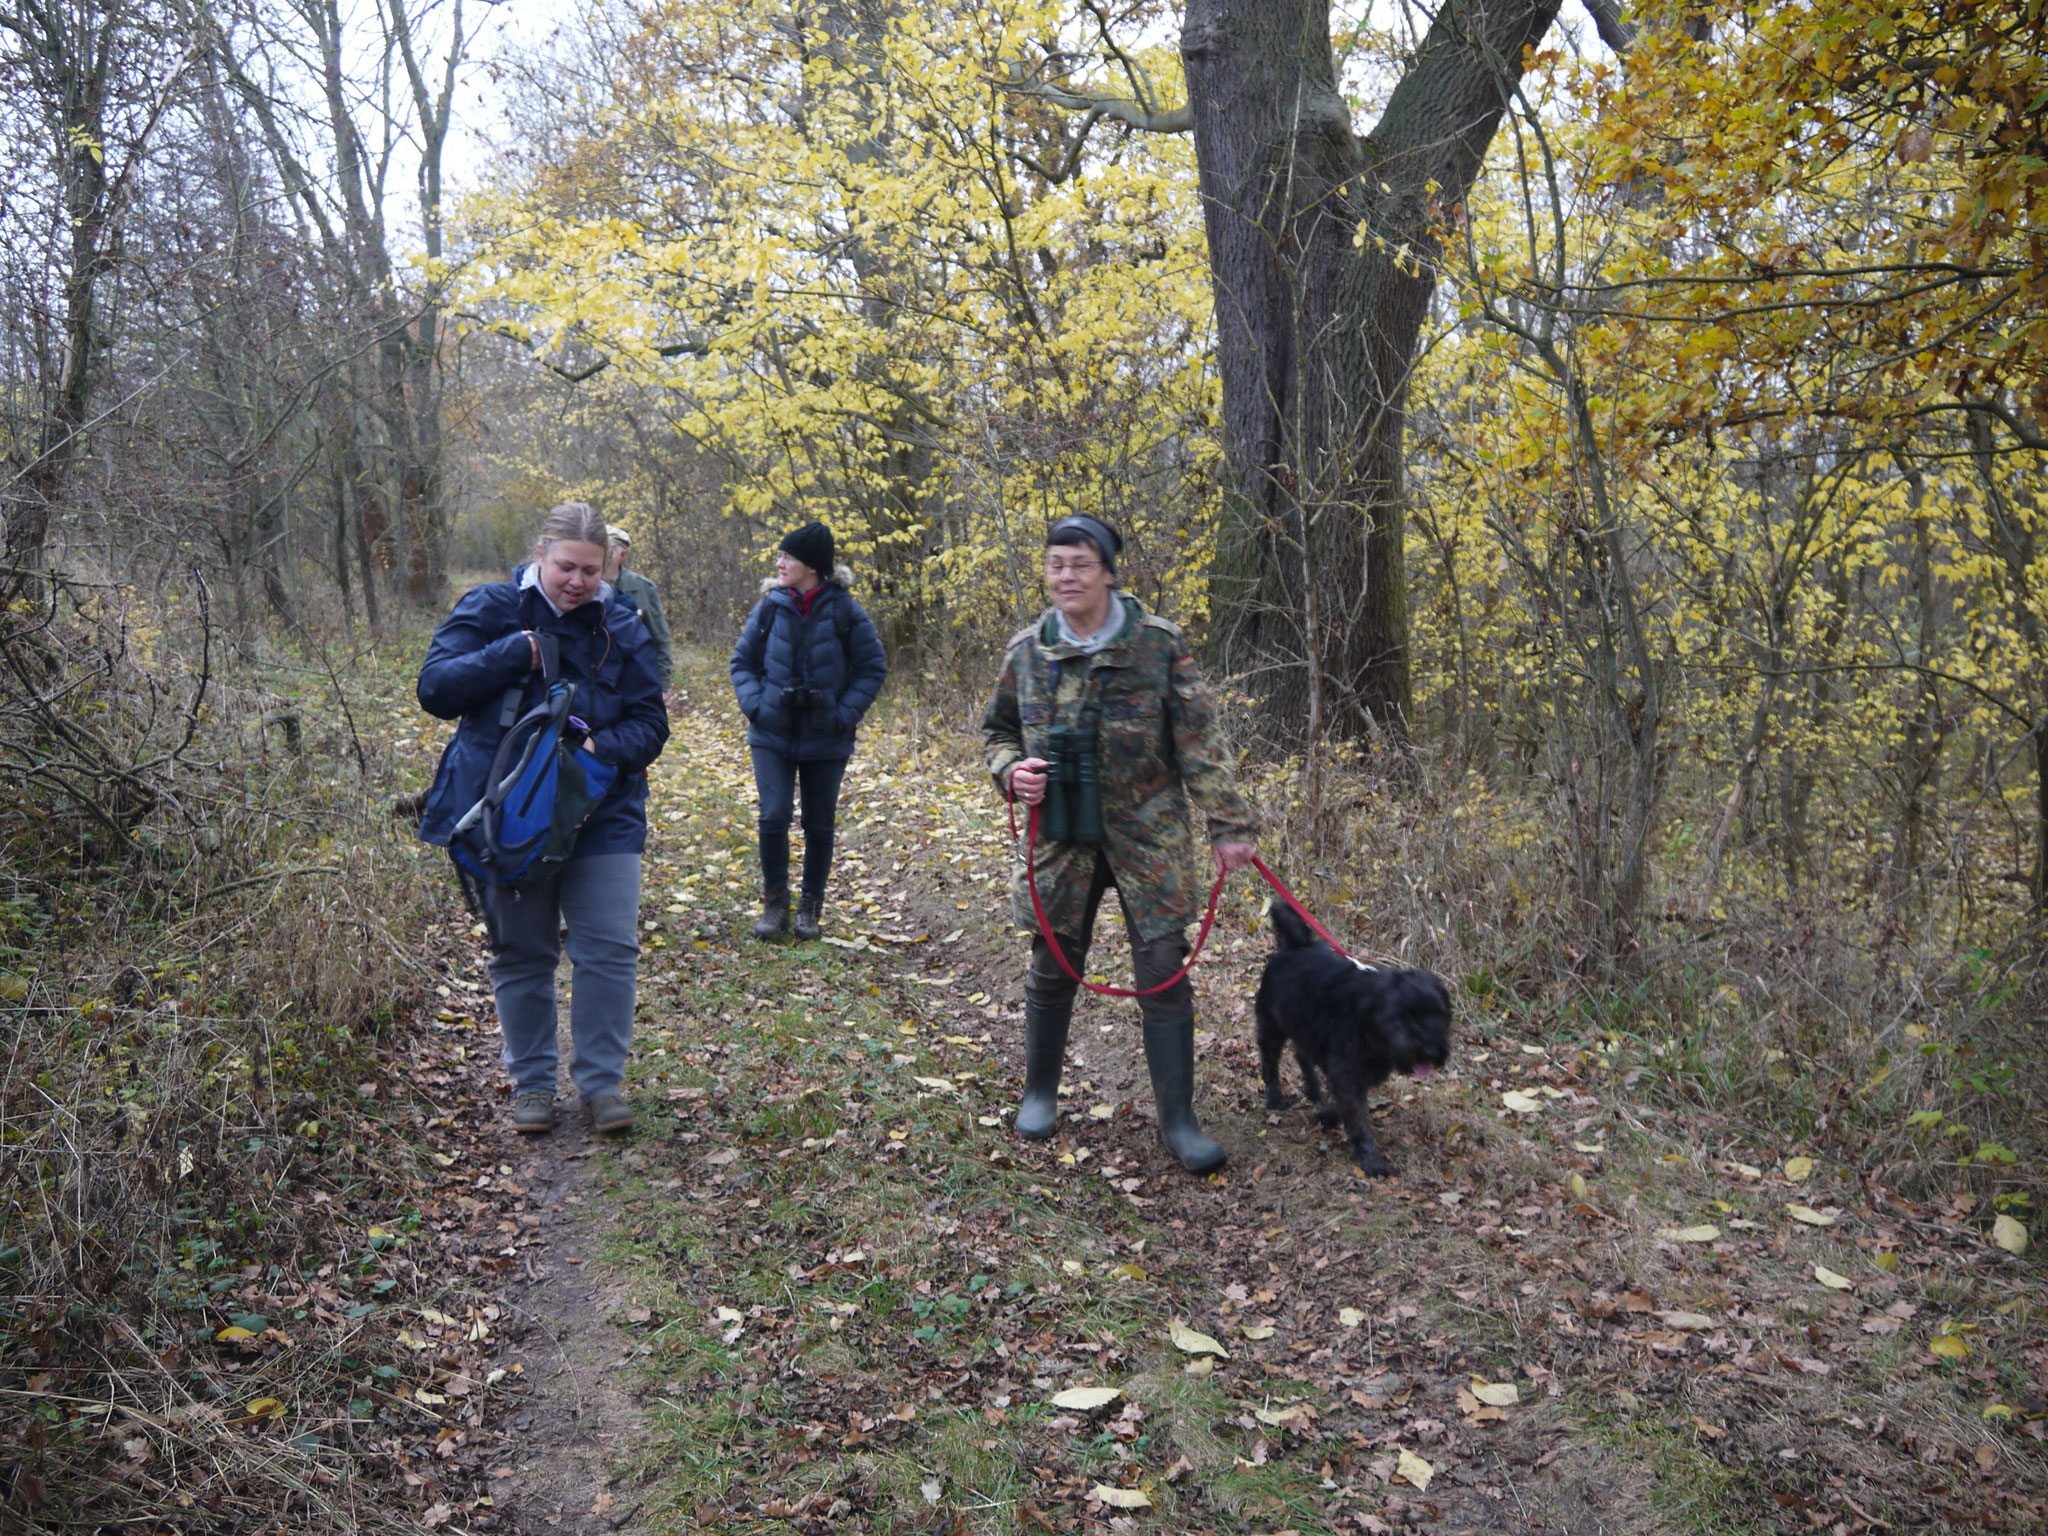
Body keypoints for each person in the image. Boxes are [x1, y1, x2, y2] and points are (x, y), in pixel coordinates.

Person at [982, 515, 1258, 1173]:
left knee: (1163, 971)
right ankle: (1040, 1092)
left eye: (1080, 563)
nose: (1066, 576)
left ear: (1108, 571)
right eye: (1056, 564)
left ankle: (1180, 1122)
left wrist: (1229, 826)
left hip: (1149, 833)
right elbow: (997, 733)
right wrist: (1009, 773)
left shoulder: (1158, 646)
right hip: (1063, 837)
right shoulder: (1028, 652)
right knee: (1052, 962)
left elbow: (1201, 743)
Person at [416, 502, 671, 1136]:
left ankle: (601, 1085)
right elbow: (435, 690)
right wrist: (512, 655)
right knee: (521, 952)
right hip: (507, 814)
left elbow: (651, 723)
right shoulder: (489, 608)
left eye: (591, 570)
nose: (578, 582)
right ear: (540, 556)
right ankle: (532, 1085)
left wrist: (597, 749)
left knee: (609, 950)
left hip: (603, 812)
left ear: (607, 567)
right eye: (566, 568)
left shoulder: (622, 626)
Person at [730, 520, 887, 941]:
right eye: (780, 556)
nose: (779, 563)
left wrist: (842, 714)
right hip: (772, 733)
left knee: (819, 825)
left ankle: (810, 908)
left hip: (827, 736)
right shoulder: (768, 606)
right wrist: (757, 706)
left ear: (812, 566)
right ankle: (774, 904)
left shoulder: (845, 610)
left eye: (788, 556)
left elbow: (873, 668)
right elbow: (741, 662)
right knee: (773, 815)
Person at [603, 525, 674, 687]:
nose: (604, 557)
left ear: (622, 555)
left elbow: (660, 637)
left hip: (637, 679)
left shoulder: (643, 588)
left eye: (609, 551)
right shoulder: (585, 585)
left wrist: (663, 685)